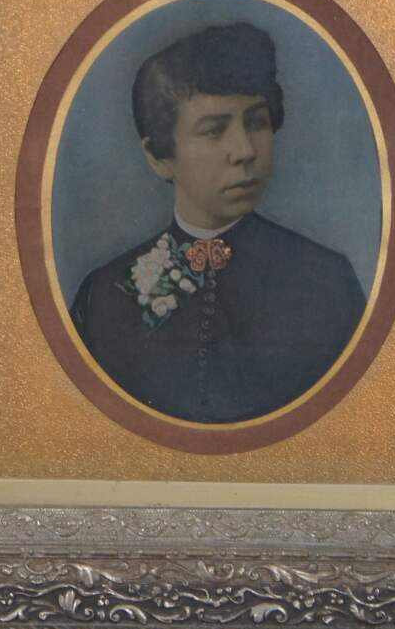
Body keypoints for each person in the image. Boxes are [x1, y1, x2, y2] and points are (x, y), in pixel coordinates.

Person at [67, 21, 365, 424]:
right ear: (159, 157)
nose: (244, 150)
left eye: (256, 123)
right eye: (213, 131)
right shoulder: (104, 297)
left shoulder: (326, 282)